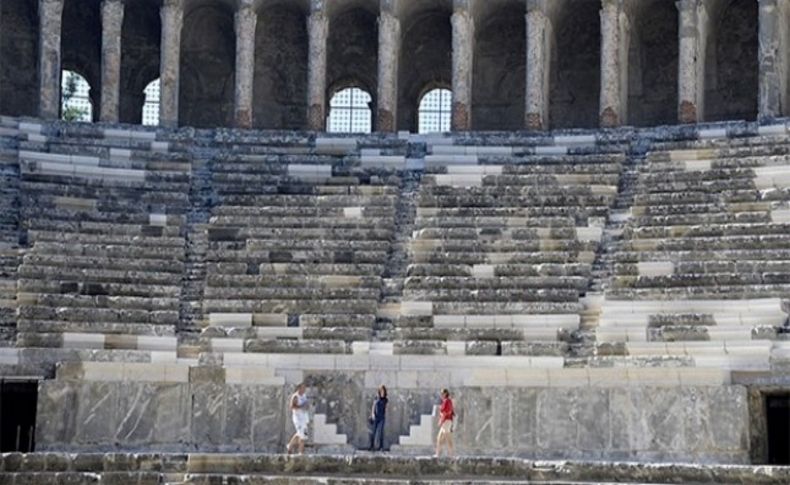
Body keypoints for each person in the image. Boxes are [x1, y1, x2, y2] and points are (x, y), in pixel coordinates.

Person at [286, 383, 309, 455]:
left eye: (304, 388)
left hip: (304, 418)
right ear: (299, 388)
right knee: (302, 436)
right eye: (303, 388)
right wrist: (301, 406)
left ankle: (290, 446)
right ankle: (300, 452)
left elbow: (306, 404)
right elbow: (292, 406)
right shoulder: (295, 397)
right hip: (298, 419)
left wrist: (306, 406)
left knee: (301, 434)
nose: (304, 389)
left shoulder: (304, 395)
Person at [435, 388, 455, 458]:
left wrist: (441, 420)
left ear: (445, 394)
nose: (441, 395)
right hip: (445, 422)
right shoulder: (445, 401)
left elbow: (448, 412)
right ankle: (437, 454)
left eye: (442, 394)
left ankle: (451, 455)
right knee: (439, 438)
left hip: (446, 421)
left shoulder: (447, 401)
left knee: (447, 438)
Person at [369, 385, 388, 451]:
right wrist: (372, 414)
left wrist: (384, 415)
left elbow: (385, 408)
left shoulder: (385, 399)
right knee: (373, 432)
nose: (382, 392)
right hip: (375, 417)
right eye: (381, 391)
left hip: (382, 417)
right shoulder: (376, 398)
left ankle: (381, 447)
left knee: (381, 432)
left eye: (383, 391)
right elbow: (373, 407)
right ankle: (371, 446)